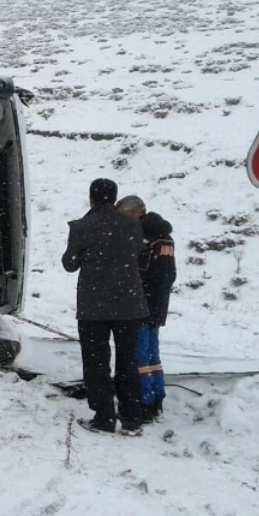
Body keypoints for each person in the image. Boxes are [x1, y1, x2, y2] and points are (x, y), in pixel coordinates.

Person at [61, 178, 150, 436]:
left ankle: (104, 417)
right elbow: (137, 255)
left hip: (93, 308)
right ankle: (131, 418)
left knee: (96, 363)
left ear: (91, 197)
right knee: (128, 361)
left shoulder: (81, 226)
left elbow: (70, 264)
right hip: (130, 306)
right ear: (114, 197)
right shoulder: (133, 226)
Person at [117, 195, 176, 421]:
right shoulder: (165, 239)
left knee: (140, 355)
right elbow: (167, 275)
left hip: (142, 305)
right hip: (158, 304)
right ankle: (156, 396)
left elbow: (140, 272)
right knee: (152, 354)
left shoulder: (145, 239)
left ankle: (144, 400)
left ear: (135, 214)